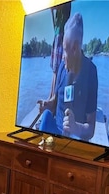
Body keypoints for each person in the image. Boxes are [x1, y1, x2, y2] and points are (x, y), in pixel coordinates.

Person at [37, 12, 98, 141]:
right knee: (47, 116)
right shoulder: (61, 66)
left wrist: (76, 127)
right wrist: (48, 104)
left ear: (75, 48)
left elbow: (91, 129)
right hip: (55, 135)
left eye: (65, 49)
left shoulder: (91, 72)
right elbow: (55, 101)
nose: (63, 56)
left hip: (75, 142)